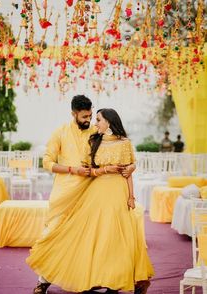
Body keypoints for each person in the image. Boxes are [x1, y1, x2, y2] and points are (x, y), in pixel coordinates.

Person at [26, 107, 153, 294]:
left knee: (117, 237)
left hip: (115, 192)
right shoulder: (87, 138)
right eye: (87, 117)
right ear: (74, 114)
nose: (93, 122)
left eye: (96, 118)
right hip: (83, 192)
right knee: (73, 234)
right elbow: (86, 169)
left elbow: (128, 170)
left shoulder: (118, 141)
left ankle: (116, 282)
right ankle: (45, 279)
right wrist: (102, 170)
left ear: (108, 122)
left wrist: (131, 193)